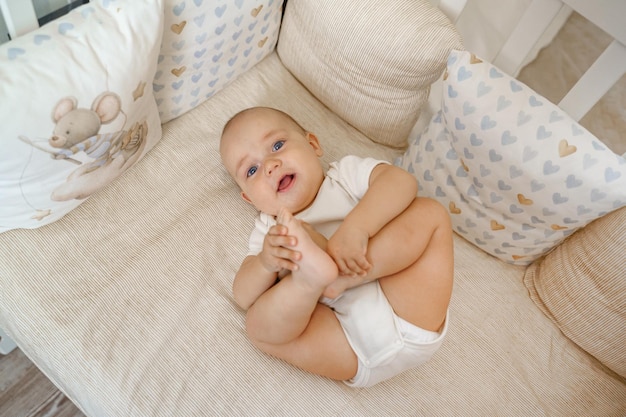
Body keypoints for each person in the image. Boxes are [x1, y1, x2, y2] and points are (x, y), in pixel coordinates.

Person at [219, 107, 454, 387]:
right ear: (249, 198)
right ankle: (311, 280)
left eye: (277, 145)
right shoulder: (270, 232)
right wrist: (265, 264)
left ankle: (341, 275)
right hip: (344, 342)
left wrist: (357, 227)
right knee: (257, 325)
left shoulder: (345, 176)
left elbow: (401, 182)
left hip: (407, 307)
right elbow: (242, 295)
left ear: (313, 144)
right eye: (252, 170)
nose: (270, 165)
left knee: (430, 213)